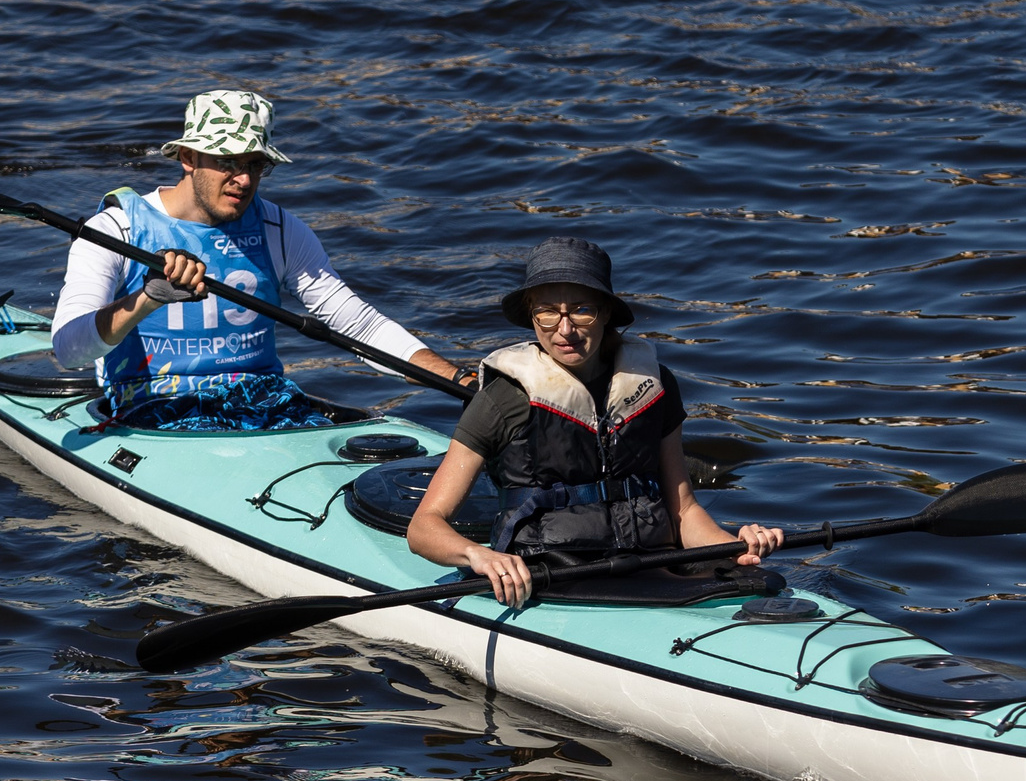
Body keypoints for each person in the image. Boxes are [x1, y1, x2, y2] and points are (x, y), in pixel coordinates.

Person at [49, 89, 463, 431]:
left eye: (254, 164)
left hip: (263, 399)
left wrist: (461, 381)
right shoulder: (116, 229)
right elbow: (69, 350)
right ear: (188, 158)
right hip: (153, 405)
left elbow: (359, 326)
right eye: (227, 162)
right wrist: (148, 300)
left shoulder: (279, 229)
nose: (244, 180)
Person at [407, 236, 780, 606]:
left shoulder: (655, 385)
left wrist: (733, 545)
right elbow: (425, 526)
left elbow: (684, 511)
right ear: (532, 314)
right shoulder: (503, 399)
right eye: (548, 312)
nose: (564, 330)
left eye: (581, 310)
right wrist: (479, 555)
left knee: (761, 579)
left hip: (652, 563)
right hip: (553, 573)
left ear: (605, 312)